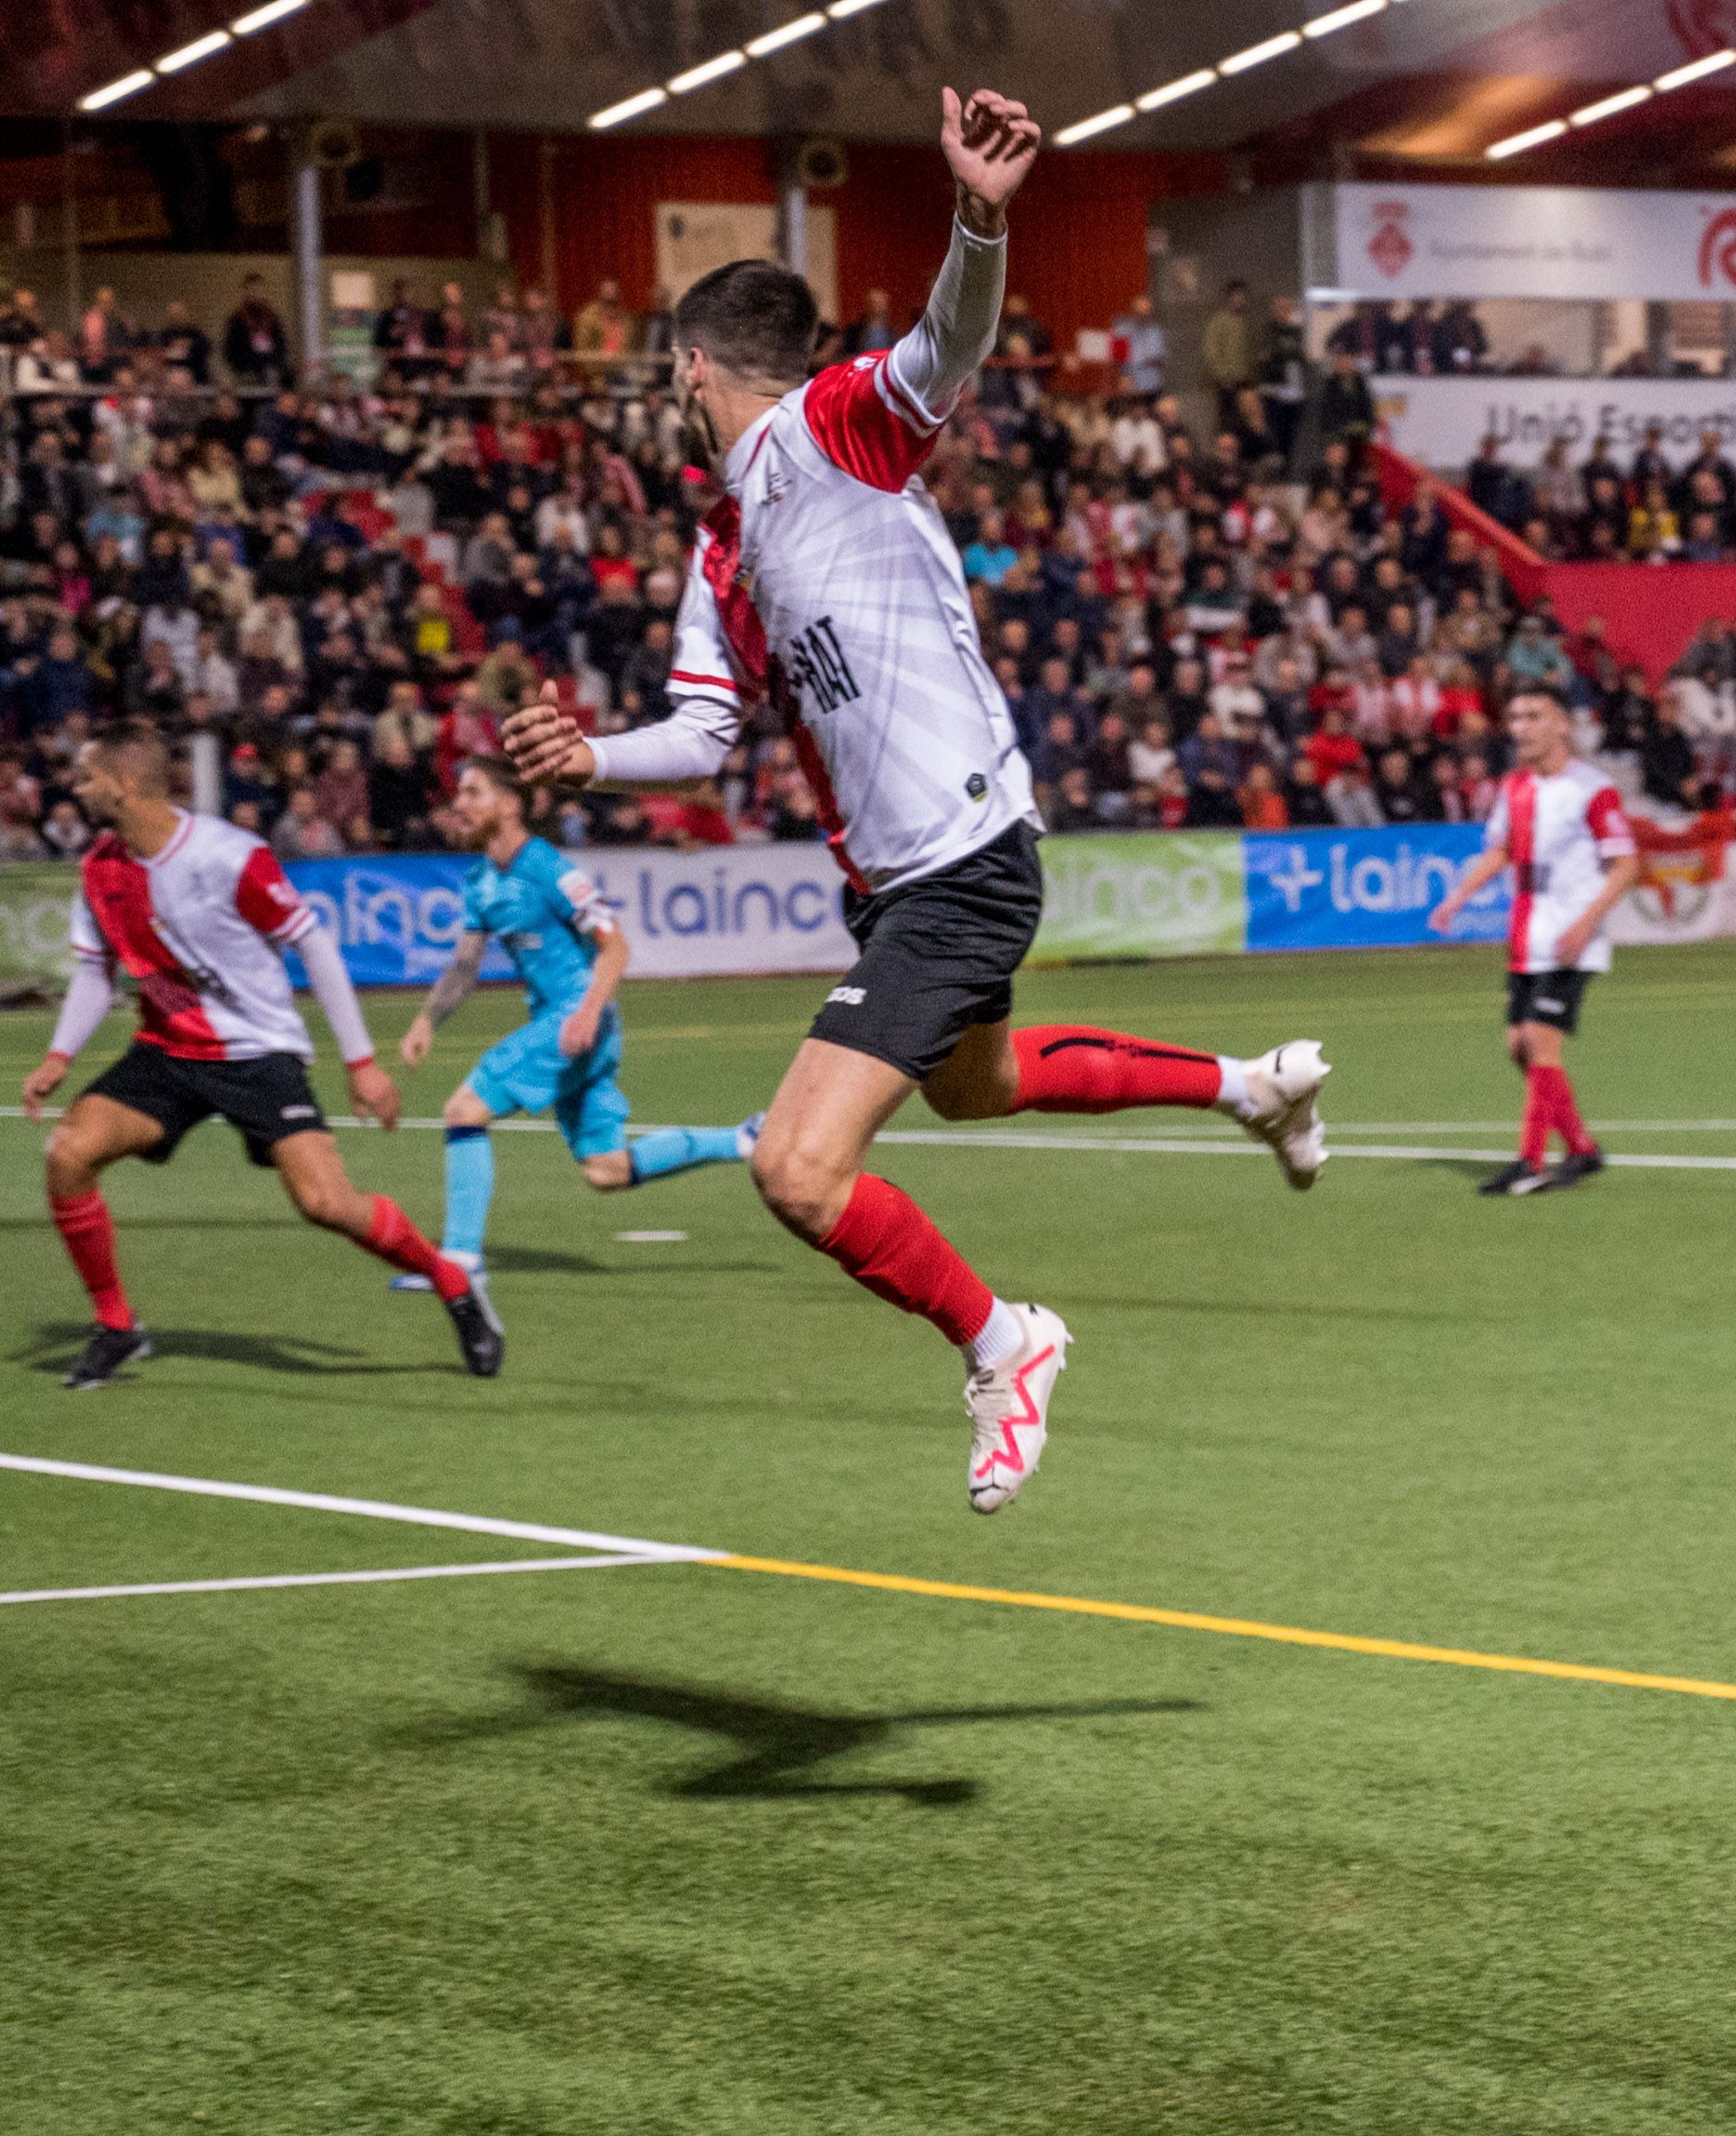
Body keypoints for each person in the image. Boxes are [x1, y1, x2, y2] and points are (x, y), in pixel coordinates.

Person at [501, 87, 1328, 1518]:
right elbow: (702, 735)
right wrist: (594, 759)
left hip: (962, 859)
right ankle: (1245, 1087)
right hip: (901, 881)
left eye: (671, 375)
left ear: (697, 367)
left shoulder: (829, 433)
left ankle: (1008, 1342)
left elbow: (946, 346)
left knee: (796, 1165)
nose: (669, 398)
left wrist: (981, 216)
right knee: (979, 1086)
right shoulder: (723, 554)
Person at [20, 729, 501, 1389]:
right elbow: (98, 972)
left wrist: (361, 1063)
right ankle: (116, 1325)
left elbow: (316, 946)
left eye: (85, 778)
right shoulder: (100, 866)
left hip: (258, 1051)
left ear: (124, 786)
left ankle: (451, 1283)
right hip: (165, 1049)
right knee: (68, 1153)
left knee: (326, 1203)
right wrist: (58, 1056)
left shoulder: (228, 857)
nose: (74, 789)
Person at [394, 755, 758, 1285]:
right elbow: (466, 963)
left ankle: (459, 1263)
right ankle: (744, 1140)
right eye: (460, 794)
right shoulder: (480, 880)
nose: (460, 804)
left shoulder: (548, 869)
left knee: (463, 1110)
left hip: (576, 1023)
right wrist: (427, 1021)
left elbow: (615, 947)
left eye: (473, 793)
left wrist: (587, 1011)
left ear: (510, 803)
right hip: (567, 1028)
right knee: (606, 1169)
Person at [1428, 686, 1638, 1197]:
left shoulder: (1592, 789)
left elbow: (1627, 864)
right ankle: (1582, 1149)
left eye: (1533, 715)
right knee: (1519, 1047)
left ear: (1562, 725)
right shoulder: (1516, 787)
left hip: (1572, 938)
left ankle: (1530, 1163)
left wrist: (1587, 923)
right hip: (1530, 936)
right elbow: (1503, 851)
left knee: (1542, 1043)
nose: (1520, 726)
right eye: (1516, 716)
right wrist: (1458, 898)